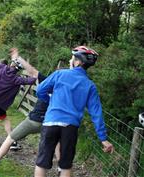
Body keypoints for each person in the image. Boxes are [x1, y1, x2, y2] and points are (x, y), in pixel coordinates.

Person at [34, 46, 114, 177]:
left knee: (42, 163)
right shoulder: (90, 85)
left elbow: (39, 90)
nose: (70, 60)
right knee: (65, 165)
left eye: (72, 58)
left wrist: (50, 102)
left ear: (78, 62)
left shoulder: (60, 74)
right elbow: (96, 113)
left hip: (50, 123)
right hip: (70, 127)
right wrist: (103, 138)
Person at [0, 50, 61, 174]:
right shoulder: (67, 91)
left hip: (34, 120)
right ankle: (61, 168)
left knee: (10, 138)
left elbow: (32, 71)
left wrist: (18, 58)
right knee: (57, 141)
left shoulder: (48, 80)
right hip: (51, 121)